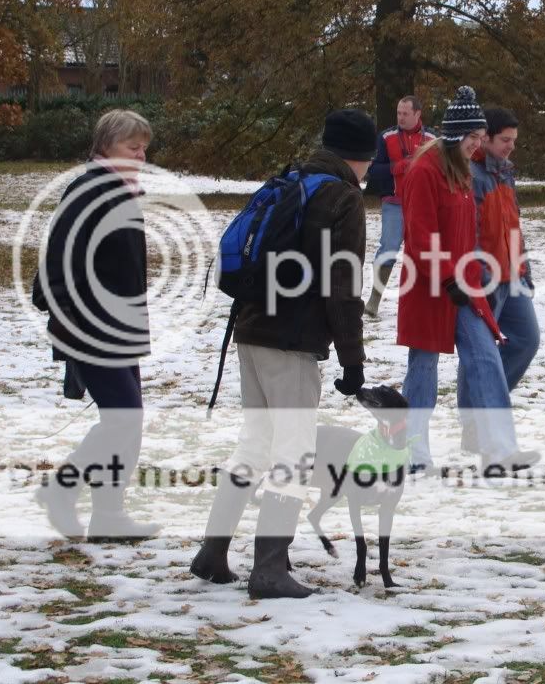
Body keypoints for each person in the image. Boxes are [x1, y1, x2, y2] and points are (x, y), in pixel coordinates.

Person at [190, 109, 376, 599]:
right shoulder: (342, 197)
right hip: (291, 341)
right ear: (362, 158)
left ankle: (213, 552)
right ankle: (269, 568)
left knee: (255, 445)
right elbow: (342, 286)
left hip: (250, 332)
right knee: (293, 453)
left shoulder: (291, 178)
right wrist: (352, 359)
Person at [397, 86, 540, 477]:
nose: (479, 145)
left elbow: (467, 236)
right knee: (423, 367)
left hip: (463, 287)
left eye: (481, 138)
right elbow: (421, 235)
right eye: (475, 138)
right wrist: (449, 278)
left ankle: (499, 449)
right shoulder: (425, 171)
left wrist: (473, 279)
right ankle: (413, 452)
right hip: (430, 287)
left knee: (486, 358)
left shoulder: (460, 170)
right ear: (460, 135)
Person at [33, 109, 159, 540]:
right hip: (91, 328)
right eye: (132, 147)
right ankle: (60, 491)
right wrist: (71, 318)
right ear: (106, 146)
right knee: (123, 418)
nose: (141, 154)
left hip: (119, 327)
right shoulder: (89, 190)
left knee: (128, 419)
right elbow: (57, 262)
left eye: (144, 147)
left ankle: (109, 516)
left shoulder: (120, 190)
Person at [458, 107, 540, 452]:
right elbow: (470, 231)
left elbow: (514, 225)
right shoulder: (472, 175)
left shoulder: (506, 172)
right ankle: (474, 426)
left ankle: (484, 412)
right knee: (479, 356)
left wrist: (525, 269)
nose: (511, 147)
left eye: (514, 141)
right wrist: (482, 274)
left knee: (526, 339)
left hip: (514, 277)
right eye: (505, 140)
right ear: (486, 138)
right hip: (487, 279)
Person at [363, 95, 436, 317]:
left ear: (417, 114)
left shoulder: (432, 138)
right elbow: (372, 171)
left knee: (425, 252)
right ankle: (374, 301)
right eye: (398, 113)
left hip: (422, 205)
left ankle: (424, 301)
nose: (400, 117)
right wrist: (398, 166)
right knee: (388, 249)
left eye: (405, 113)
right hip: (394, 203)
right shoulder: (386, 137)